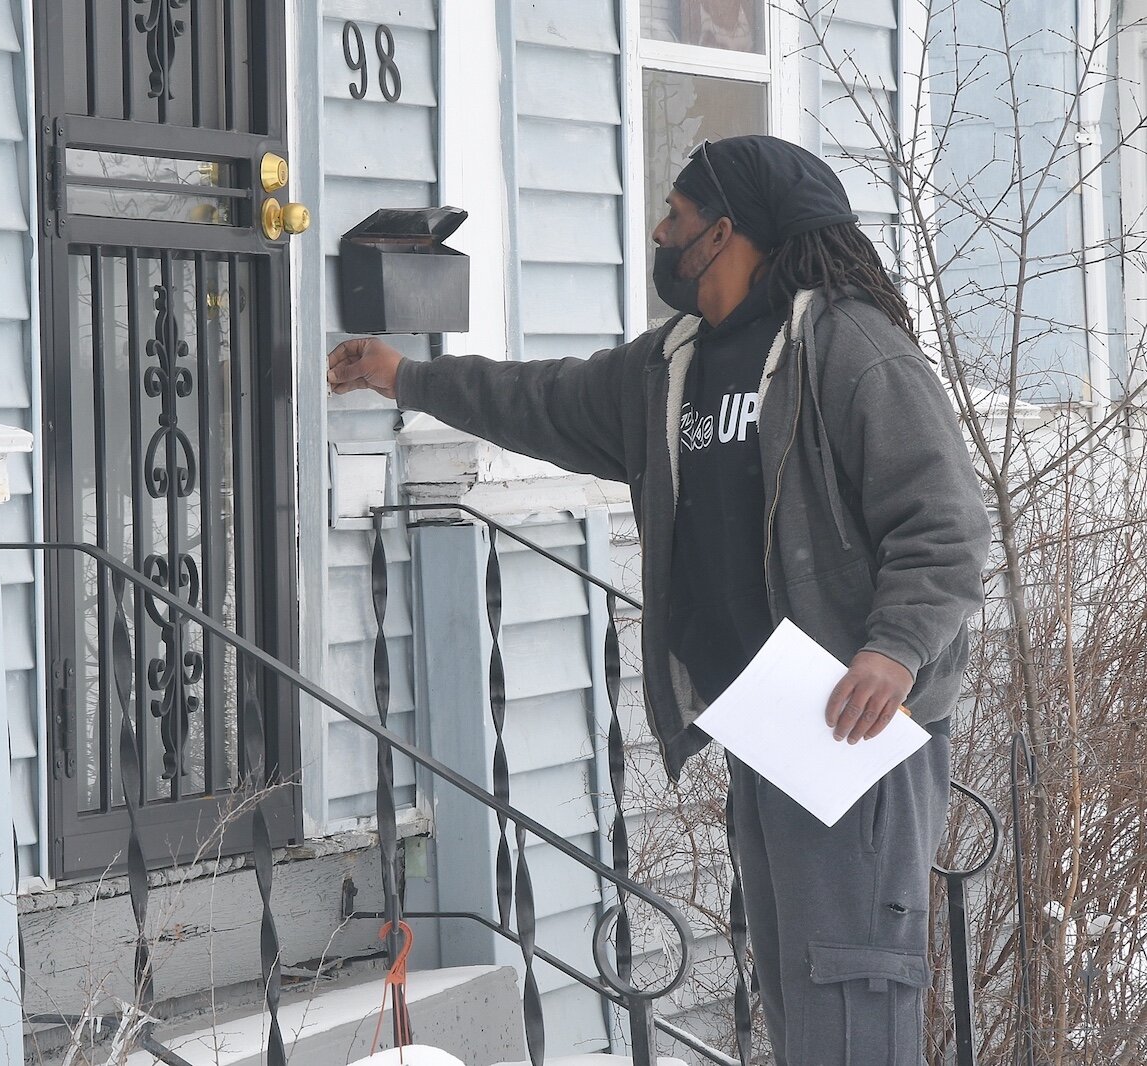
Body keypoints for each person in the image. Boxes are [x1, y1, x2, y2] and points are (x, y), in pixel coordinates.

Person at [327, 135, 990, 1065]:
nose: (657, 232)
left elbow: (946, 521)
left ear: (724, 233)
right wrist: (407, 378)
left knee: (852, 990)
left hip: (853, 731)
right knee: (803, 1002)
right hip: (767, 723)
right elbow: (543, 401)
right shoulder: (671, 365)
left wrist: (893, 648)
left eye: (674, 217)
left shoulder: (846, 347)